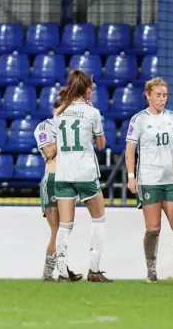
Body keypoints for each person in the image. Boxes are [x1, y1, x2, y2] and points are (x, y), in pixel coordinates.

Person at [125, 77, 173, 283]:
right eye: (158, 95)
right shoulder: (139, 120)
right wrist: (131, 177)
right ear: (148, 95)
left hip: (171, 179)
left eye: (165, 95)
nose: (162, 99)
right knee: (153, 227)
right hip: (148, 179)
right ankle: (151, 272)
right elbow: (130, 151)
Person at [52, 69, 112, 283]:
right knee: (98, 219)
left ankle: (61, 272)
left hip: (63, 173)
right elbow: (101, 144)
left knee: (65, 225)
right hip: (85, 172)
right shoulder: (91, 113)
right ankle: (94, 270)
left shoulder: (58, 112)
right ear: (87, 90)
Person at [33, 97, 83, 282]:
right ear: (55, 110)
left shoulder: (71, 126)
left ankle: (61, 268)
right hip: (52, 180)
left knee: (64, 229)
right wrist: (66, 136)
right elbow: (48, 151)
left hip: (68, 179)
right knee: (57, 230)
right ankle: (50, 272)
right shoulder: (44, 127)